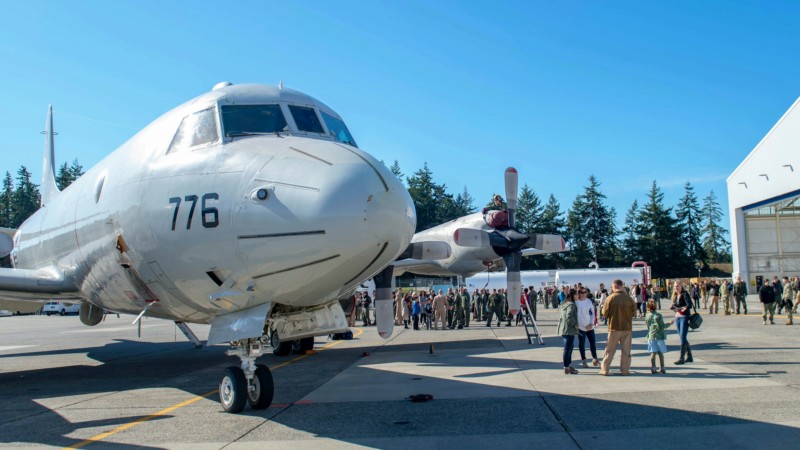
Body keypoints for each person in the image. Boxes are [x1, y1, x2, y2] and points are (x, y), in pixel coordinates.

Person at [599, 280, 637, 376]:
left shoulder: (610, 298)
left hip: (614, 327)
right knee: (626, 351)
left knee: (610, 350)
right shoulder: (629, 299)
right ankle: (625, 370)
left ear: (614, 286)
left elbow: (604, 313)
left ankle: (605, 369)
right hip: (627, 328)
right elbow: (634, 313)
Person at [645, 300, 673, 374]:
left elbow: (648, 326)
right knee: (660, 352)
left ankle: (653, 367)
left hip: (651, 335)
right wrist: (669, 324)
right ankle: (662, 367)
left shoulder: (647, 315)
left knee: (652, 352)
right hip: (659, 336)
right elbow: (662, 326)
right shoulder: (658, 315)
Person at [557, 288, 580, 374]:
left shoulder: (565, 303)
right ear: (573, 295)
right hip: (569, 329)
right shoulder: (571, 305)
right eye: (577, 294)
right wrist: (575, 325)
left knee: (570, 347)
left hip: (563, 329)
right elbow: (569, 316)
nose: (578, 295)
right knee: (568, 348)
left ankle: (568, 365)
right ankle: (566, 367)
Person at [575, 287, 599, 368]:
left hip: (590, 326)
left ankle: (595, 358)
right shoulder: (576, 302)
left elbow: (592, 313)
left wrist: (591, 323)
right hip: (581, 327)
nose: (584, 294)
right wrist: (584, 325)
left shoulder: (588, 301)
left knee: (593, 343)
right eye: (582, 292)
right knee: (582, 344)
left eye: (585, 292)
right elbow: (578, 316)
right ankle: (584, 360)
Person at [671, 281, 694, 365]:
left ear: (681, 286)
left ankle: (682, 358)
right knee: (682, 337)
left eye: (677, 286)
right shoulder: (676, 295)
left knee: (682, 337)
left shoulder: (685, 294)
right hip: (678, 317)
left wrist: (680, 309)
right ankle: (690, 356)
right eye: (675, 287)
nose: (676, 288)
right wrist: (674, 307)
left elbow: (689, 305)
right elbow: (676, 306)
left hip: (684, 317)